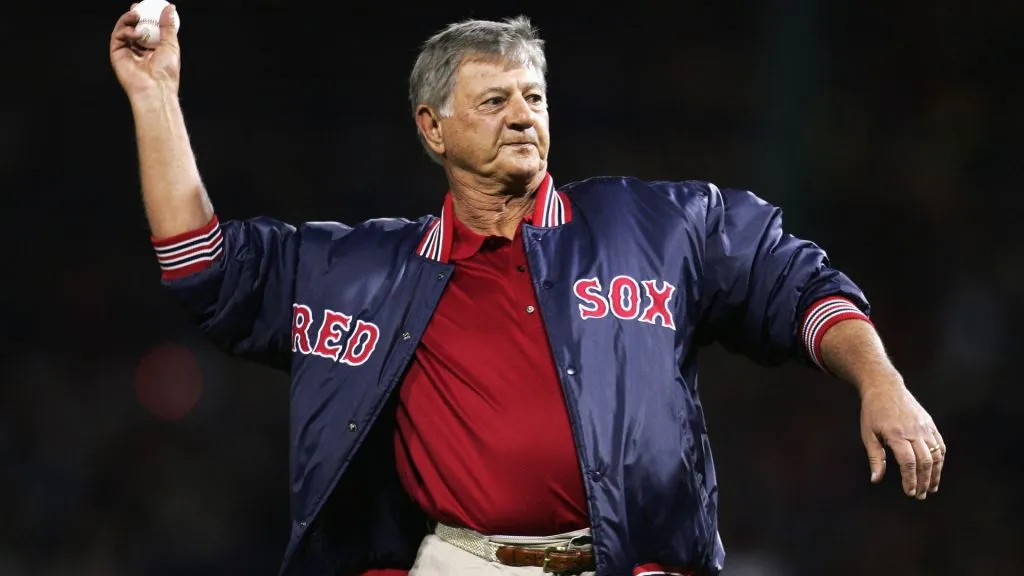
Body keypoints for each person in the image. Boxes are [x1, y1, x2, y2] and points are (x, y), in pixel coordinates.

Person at [109, 5, 946, 576]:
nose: (522, 115)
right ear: (431, 128)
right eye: (494, 99)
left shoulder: (655, 228)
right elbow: (203, 268)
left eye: (534, 96)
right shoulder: (359, 270)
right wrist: (156, 98)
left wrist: (880, 379)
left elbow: (794, 278)